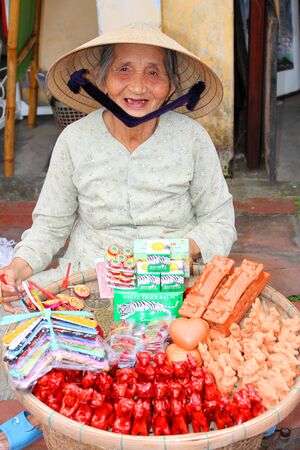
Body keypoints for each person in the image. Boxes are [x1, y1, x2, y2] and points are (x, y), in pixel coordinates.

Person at [0, 23, 236, 313]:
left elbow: (220, 223)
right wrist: (17, 269)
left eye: (153, 72)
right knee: (10, 315)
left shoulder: (192, 139)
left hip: (171, 282)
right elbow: (49, 227)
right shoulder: (74, 140)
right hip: (87, 279)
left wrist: (173, 254)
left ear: (172, 85)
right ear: (102, 80)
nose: (137, 87)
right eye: (123, 69)